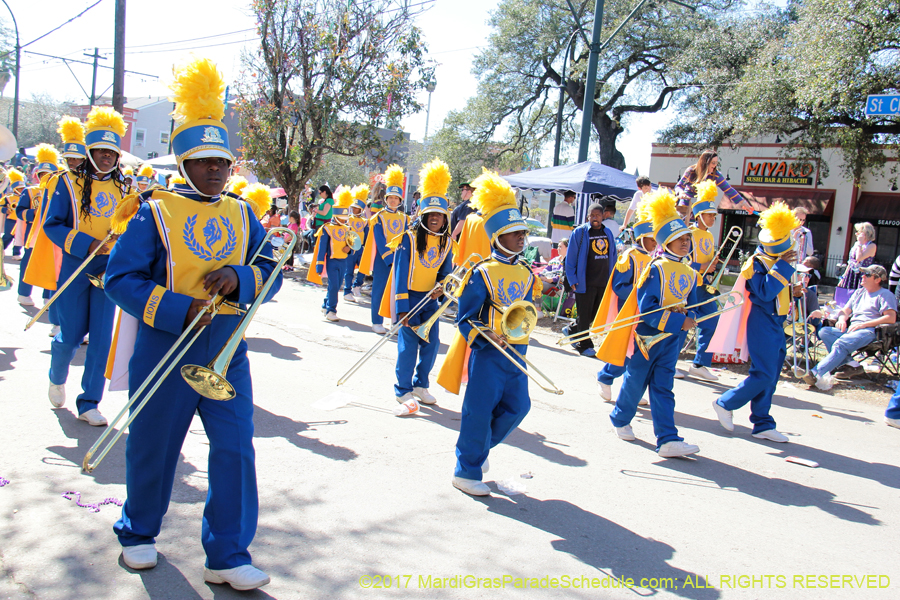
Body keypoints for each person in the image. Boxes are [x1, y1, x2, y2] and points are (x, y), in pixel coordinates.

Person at [104, 58, 279, 590]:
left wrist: (241, 276)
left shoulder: (244, 213)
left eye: (221, 162)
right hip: (166, 347)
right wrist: (180, 309)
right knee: (155, 444)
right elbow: (120, 278)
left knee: (235, 448)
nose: (214, 171)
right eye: (202, 161)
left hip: (228, 350)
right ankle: (138, 532)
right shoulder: (153, 211)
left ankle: (226, 553)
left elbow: (270, 270)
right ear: (183, 162)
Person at [436, 170, 539, 496]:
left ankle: (477, 450)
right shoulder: (481, 273)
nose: (521, 237)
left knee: (519, 407)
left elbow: (526, 312)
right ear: (497, 237)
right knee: (478, 412)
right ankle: (466, 470)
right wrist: (487, 335)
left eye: (522, 231)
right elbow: (464, 320)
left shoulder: (526, 272)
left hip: (518, 354)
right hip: (489, 354)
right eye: (513, 232)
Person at [43, 106, 129, 427]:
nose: (106, 157)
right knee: (71, 335)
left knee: (102, 339)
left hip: (109, 272)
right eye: (100, 151)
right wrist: (87, 244)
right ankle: (56, 375)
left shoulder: (126, 188)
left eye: (112, 152)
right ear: (90, 151)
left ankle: (89, 401)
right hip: (75, 269)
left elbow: (133, 229)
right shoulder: (67, 183)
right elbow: (52, 226)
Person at [601, 189, 701, 457]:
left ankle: (668, 439)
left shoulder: (691, 273)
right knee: (635, 382)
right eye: (679, 238)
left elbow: (692, 306)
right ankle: (620, 419)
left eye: (687, 238)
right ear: (666, 240)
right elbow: (647, 310)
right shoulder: (655, 268)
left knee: (663, 387)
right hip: (648, 336)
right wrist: (679, 320)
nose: (684, 242)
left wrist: (692, 319)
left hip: (672, 339)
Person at [712, 202, 801, 443]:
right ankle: (725, 402)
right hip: (762, 322)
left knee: (771, 376)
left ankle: (762, 423)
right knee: (762, 373)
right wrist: (784, 266)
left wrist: (794, 291)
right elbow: (765, 292)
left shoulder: (775, 262)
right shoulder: (756, 263)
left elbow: (777, 292)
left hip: (776, 323)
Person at [386, 159, 454, 408]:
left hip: (431, 301)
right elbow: (401, 275)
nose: (436, 218)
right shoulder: (408, 239)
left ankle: (420, 385)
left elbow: (446, 273)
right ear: (423, 215)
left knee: (431, 345)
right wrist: (402, 308)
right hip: (411, 299)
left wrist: (442, 288)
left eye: (440, 214)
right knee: (407, 349)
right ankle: (402, 390)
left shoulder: (447, 243)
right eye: (431, 214)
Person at [595, 202, 656, 404]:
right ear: (641, 238)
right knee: (626, 353)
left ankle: (632, 389)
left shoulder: (653, 260)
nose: (656, 243)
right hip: (628, 313)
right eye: (652, 239)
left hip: (646, 312)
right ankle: (605, 376)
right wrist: (642, 294)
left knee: (640, 355)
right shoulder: (628, 257)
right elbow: (619, 286)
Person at [803, 264, 897, 387]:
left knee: (840, 344)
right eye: (863, 273)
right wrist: (841, 319)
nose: (862, 276)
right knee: (824, 332)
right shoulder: (859, 292)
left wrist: (864, 324)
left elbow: (891, 317)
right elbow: (845, 311)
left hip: (870, 331)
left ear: (877, 279)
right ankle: (852, 365)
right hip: (852, 329)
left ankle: (815, 373)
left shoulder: (885, 294)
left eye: (867, 274)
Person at [563, 202, 618, 357]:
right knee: (584, 314)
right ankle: (584, 345)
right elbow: (571, 258)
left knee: (593, 315)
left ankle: (572, 329)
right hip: (584, 282)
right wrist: (572, 278)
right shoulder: (579, 233)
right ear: (588, 216)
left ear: (603, 216)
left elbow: (613, 255)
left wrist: (613, 277)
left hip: (603, 281)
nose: (595, 218)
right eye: (592, 215)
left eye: (598, 215)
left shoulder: (607, 233)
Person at [359, 165, 408, 333]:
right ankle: (377, 321)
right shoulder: (378, 217)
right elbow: (379, 240)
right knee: (379, 290)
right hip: (383, 260)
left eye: (396, 198)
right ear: (386, 199)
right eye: (391, 198)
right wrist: (389, 258)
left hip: (400, 259)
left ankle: (395, 321)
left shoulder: (405, 218)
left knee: (398, 292)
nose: (393, 201)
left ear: (400, 201)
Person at [686, 182, 723, 382]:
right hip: (690, 285)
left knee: (712, 321)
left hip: (705, 285)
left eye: (714, 216)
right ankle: (670, 362)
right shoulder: (689, 233)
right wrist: (703, 267)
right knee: (684, 323)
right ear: (699, 215)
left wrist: (713, 265)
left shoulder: (709, 235)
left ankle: (699, 364)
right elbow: (684, 262)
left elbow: (707, 263)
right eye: (710, 215)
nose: (713, 219)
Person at [15, 144, 60, 306]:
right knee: (27, 266)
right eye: (42, 174)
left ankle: (47, 297)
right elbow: (19, 211)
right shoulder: (30, 191)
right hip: (32, 236)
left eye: (49, 174)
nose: (45, 178)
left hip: (51, 237)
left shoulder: (59, 193)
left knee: (52, 267)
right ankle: (24, 293)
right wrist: (32, 214)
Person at [308, 187, 355, 322]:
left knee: (336, 285)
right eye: (342, 217)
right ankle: (331, 310)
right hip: (332, 261)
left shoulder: (348, 229)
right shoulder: (327, 228)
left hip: (343, 261)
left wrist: (349, 249)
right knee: (334, 285)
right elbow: (322, 248)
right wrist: (319, 264)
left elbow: (352, 245)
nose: (344, 219)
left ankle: (325, 304)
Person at [674, 149, 753, 215]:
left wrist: (743, 203)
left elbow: (729, 190)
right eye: (713, 162)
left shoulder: (716, 175)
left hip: (701, 209)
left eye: (716, 163)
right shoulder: (691, 171)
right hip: (685, 207)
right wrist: (681, 193)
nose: (715, 165)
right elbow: (679, 186)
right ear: (705, 162)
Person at [342, 185, 369, 302]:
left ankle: (357, 286)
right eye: (353, 207)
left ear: (361, 209)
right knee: (349, 270)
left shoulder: (365, 221)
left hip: (361, 249)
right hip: (350, 247)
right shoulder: (348, 219)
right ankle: (347, 291)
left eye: (356, 208)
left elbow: (367, 235)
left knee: (363, 269)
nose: (354, 209)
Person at [837, 222, 877, 291]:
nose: (856, 234)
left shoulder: (871, 246)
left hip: (863, 275)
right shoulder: (856, 244)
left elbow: (859, 258)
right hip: (851, 274)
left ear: (865, 233)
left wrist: (860, 244)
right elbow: (851, 262)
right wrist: (843, 277)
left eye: (858, 232)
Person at [0, 168, 24, 256]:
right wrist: (5, 210)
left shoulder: (26, 196)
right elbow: (1, 206)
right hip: (11, 219)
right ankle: (1, 249)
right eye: (19, 188)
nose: (21, 190)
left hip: (21, 219)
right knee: (7, 236)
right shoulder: (8, 197)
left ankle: (16, 253)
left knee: (19, 237)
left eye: (22, 188)